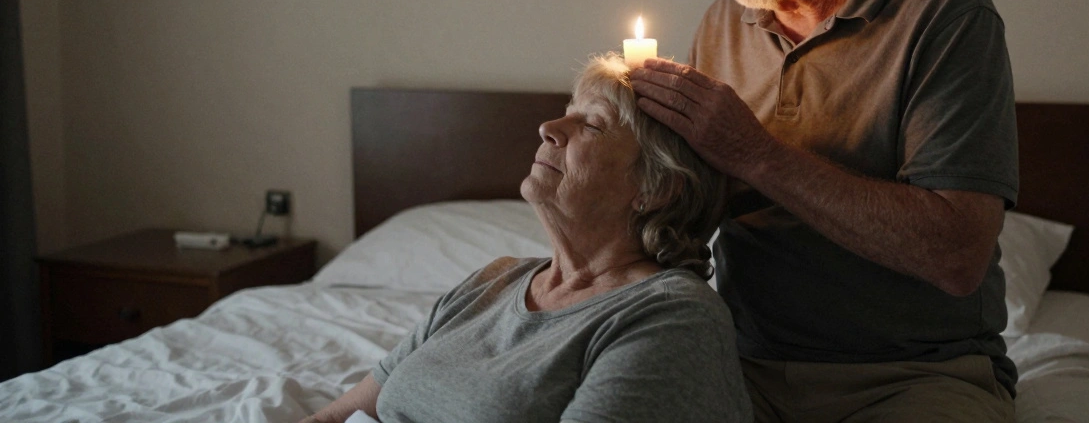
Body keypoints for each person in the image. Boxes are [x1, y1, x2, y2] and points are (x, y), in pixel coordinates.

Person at [629, 0, 1020, 422]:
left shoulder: (945, 15)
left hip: (913, 374)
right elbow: (693, 220)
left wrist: (753, 153)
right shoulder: (721, 25)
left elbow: (956, 255)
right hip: (741, 362)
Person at [303, 52, 752, 423]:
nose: (548, 128)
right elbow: (336, 415)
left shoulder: (671, 315)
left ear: (656, 187)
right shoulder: (492, 282)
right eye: (566, 114)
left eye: (591, 125)